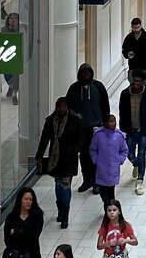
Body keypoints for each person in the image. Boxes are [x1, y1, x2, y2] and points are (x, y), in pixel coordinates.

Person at [35, 98, 82, 229]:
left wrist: (75, 149)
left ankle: (65, 214)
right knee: (58, 185)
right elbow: (44, 139)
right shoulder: (50, 121)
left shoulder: (75, 120)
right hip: (55, 159)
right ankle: (60, 210)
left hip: (69, 159)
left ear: (67, 107)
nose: (61, 109)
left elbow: (81, 138)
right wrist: (39, 155)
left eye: (64, 106)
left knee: (65, 186)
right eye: (59, 107)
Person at [67, 64, 110, 194]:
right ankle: (87, 180)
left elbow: (105, 105)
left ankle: (97, 182)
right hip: (80, 129)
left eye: (88, 73)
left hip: (97, 127)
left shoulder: (98, 86)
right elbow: (69, 107)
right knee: (84, 156)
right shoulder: (74, 89)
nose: (86, 75)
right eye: (83, 73)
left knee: (96, 156)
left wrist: (106, 122)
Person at [117, 71, 146, 196]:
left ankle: (140, 179)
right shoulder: (125, 94)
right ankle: (136, 163)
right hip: (129, 130)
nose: (136, 83)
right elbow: (121, 113)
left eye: (138, 81)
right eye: (134, 81)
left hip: (143, 130)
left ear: (143, 82)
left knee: (142, 153)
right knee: (129, 153)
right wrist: (122, 130)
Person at [89, 114, 128, 206]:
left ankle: (110, 214)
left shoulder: (119, 136)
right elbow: (93, 149)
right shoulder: (98, 135)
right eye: (111, 121)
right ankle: (108, 209)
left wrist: (120, 160)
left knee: (111, 195)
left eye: (114, 121)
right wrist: (96, 160)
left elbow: (124, 150)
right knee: (103, 192)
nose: (113, 123)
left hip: (113, 170)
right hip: (101, 169)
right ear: (105, 123)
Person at [4, 187, 44, 258]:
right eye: (26, 199)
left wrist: (15, 232)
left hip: (31, 253)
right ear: (20, 200)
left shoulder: (37, 216)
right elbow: (7, 240)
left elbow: (34, 236)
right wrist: (25, 232)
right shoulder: (11, 217)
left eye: (31, 199)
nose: (29, 202)